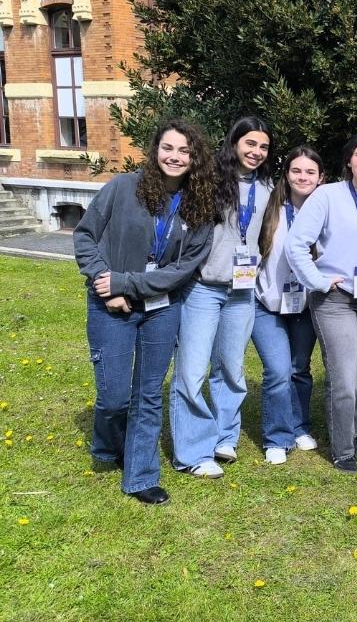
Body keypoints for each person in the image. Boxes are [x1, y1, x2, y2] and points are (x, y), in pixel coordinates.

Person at [73, 119, 217, 504]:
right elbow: (85, 236)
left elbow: (182, 269)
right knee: (114, 397)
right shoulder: (123, 187)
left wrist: (125, 284)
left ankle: (140, 475)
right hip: (111, 306)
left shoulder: (200, 207)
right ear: (155, 150)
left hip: (161, 308)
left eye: (185, 151)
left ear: (195, 158)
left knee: (148, 393)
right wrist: (104, 282)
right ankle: (109, 445)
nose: (175, 156)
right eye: (168, 148)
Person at [170, 116, 273, 477]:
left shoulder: (266, 188)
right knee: (192, 371)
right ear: (234, 143)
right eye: (250, 143)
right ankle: (192, 453)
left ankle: (224, 437)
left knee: (231, 368)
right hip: (203, 288)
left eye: (263, 146)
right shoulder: (208, 180)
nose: (256, 152)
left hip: (241, 291)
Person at [287, 133, 357, 474]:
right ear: (349, 160)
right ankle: (342, 449)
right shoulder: (327, 196)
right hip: (336, 299)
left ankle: (351, 432)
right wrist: (318, 281)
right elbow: (296, 244)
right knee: (343, 377)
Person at [250, 146, 324, 464]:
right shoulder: (270, 208)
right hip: (267, 304)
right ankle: (276, 438)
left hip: (305, 306)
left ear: (321, 178)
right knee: (278, 371)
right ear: (287, 174)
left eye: (310, 172)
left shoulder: (326, 211)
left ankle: (299, 426)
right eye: (296, 170)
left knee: (299, 369)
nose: (302, 177)